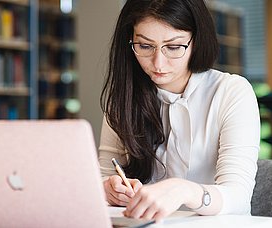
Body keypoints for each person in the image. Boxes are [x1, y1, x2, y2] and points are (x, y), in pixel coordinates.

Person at [98, 0, 260, 222]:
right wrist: (107, 188)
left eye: (174, 47)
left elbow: (238, 197)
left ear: (197, 41)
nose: (158, 63)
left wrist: (183, 191)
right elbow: (104, 175)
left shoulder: (231, 92)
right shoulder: (123, 98)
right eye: (145, 46)